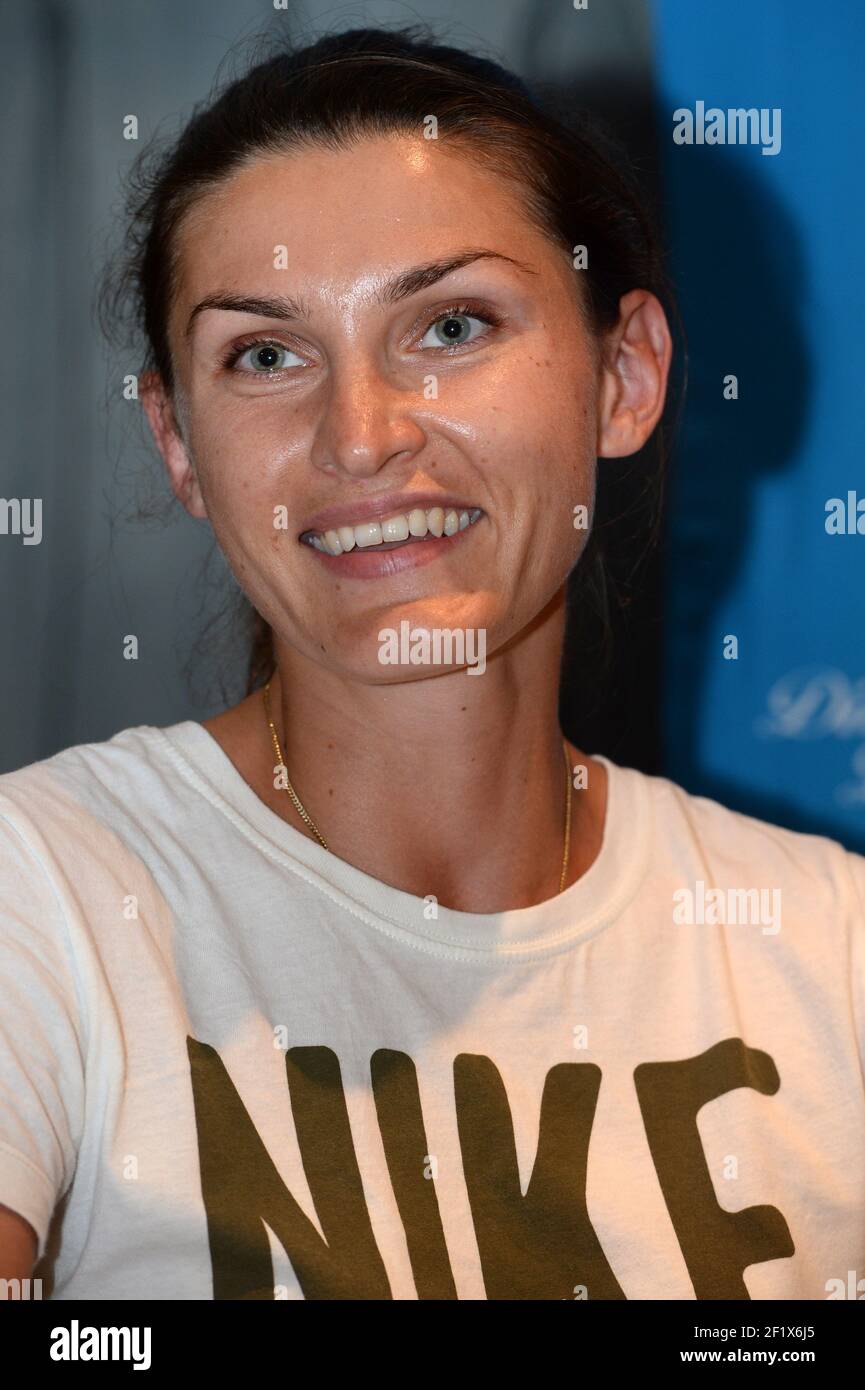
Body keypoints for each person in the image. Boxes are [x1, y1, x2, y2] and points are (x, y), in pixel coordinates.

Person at [1, 26, 863, 1303]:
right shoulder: (46, 896)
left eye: (451, 324)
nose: (359, 437)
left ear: (624, 376)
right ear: (178, 444)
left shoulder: (826, 947)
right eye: (266, 355)